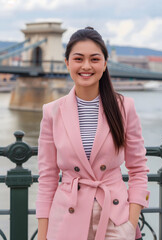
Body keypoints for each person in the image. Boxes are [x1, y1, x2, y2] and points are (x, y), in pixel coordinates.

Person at [36, 27, 150, 240]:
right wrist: (42, 237)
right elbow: (48, 178)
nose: (86, 66)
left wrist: (129, 225)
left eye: (94, 59)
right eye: (78, 59)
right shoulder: (51, 112)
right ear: (67, 63)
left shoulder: (125, 107)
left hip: (115, 218)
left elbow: (138, 170)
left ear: (105, 64)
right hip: (66, 219)